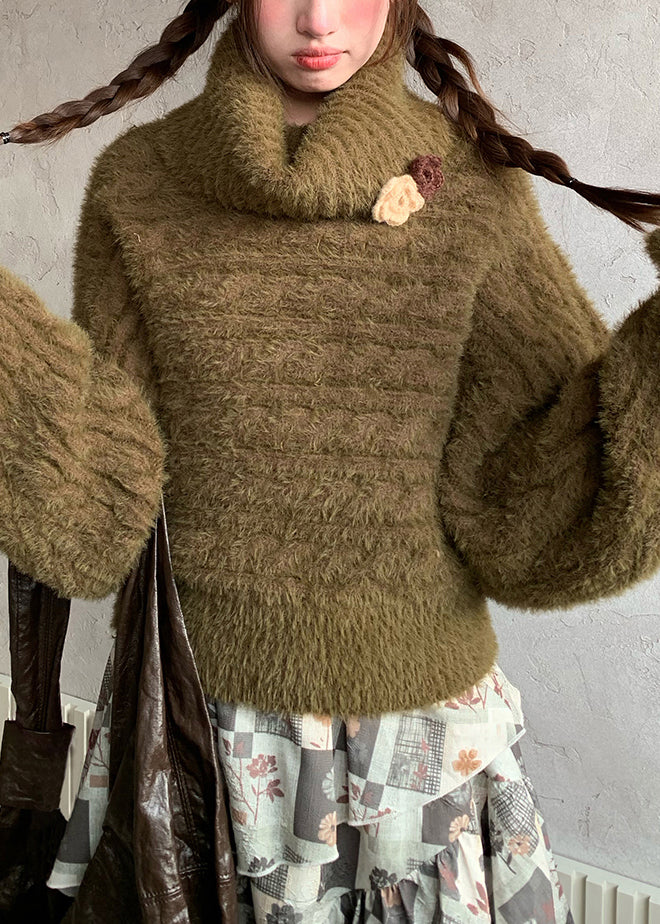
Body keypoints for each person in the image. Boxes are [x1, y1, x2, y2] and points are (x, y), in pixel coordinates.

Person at [1, 0, 659, 920]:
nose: (318, 19)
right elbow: (97, 513)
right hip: (194, 739)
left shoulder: (473, 193)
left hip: (416, 755)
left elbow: (543, 513)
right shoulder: (140, 183)